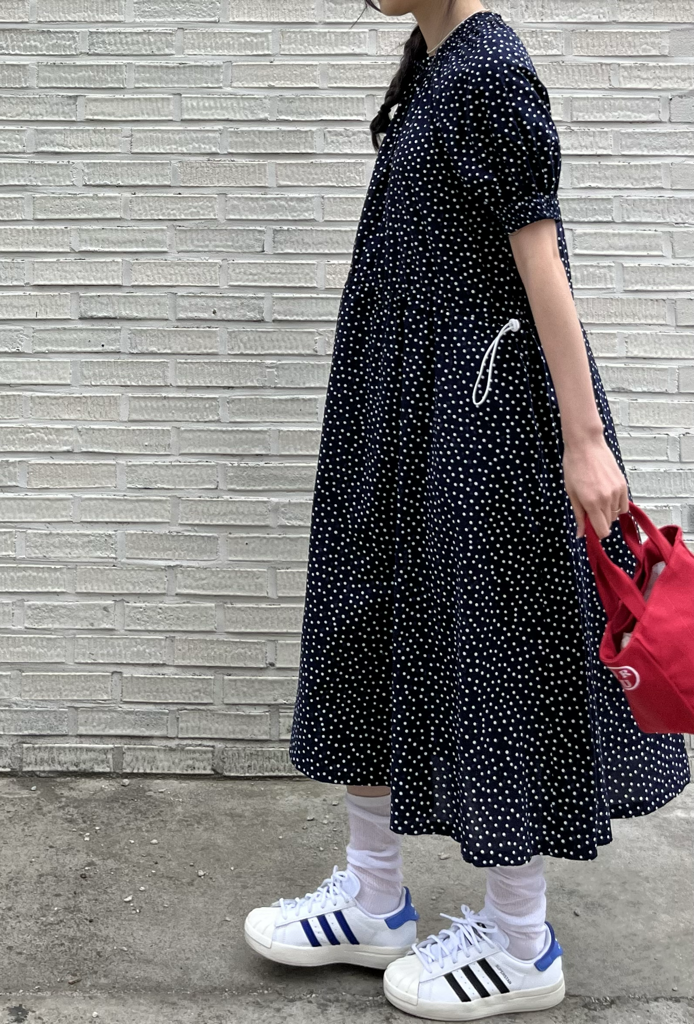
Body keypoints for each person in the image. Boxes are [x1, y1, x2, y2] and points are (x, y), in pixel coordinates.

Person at [243, 1, 691, 1019]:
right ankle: (373, 896)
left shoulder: (489, 70)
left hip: (483, 418)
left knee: (499, 652)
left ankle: (522, 942)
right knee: (368, 628)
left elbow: (543, 263)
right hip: (406, 408)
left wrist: (584, 440)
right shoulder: (437, 62)